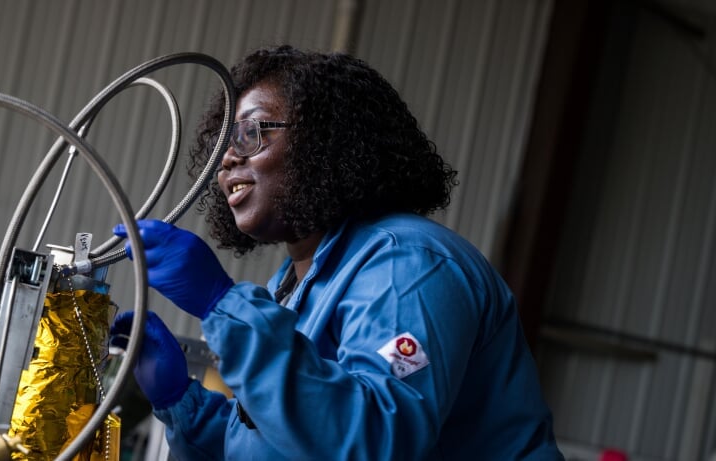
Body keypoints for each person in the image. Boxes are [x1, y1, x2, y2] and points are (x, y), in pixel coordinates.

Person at [110, 45, 563, 460]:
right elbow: (278, 446)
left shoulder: (408, 265)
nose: (226, 158)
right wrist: (179, 401)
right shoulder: (295, 284)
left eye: (249, 133)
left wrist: (219, 303)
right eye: (222, 141)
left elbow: (373, 441)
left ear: (325, 140)